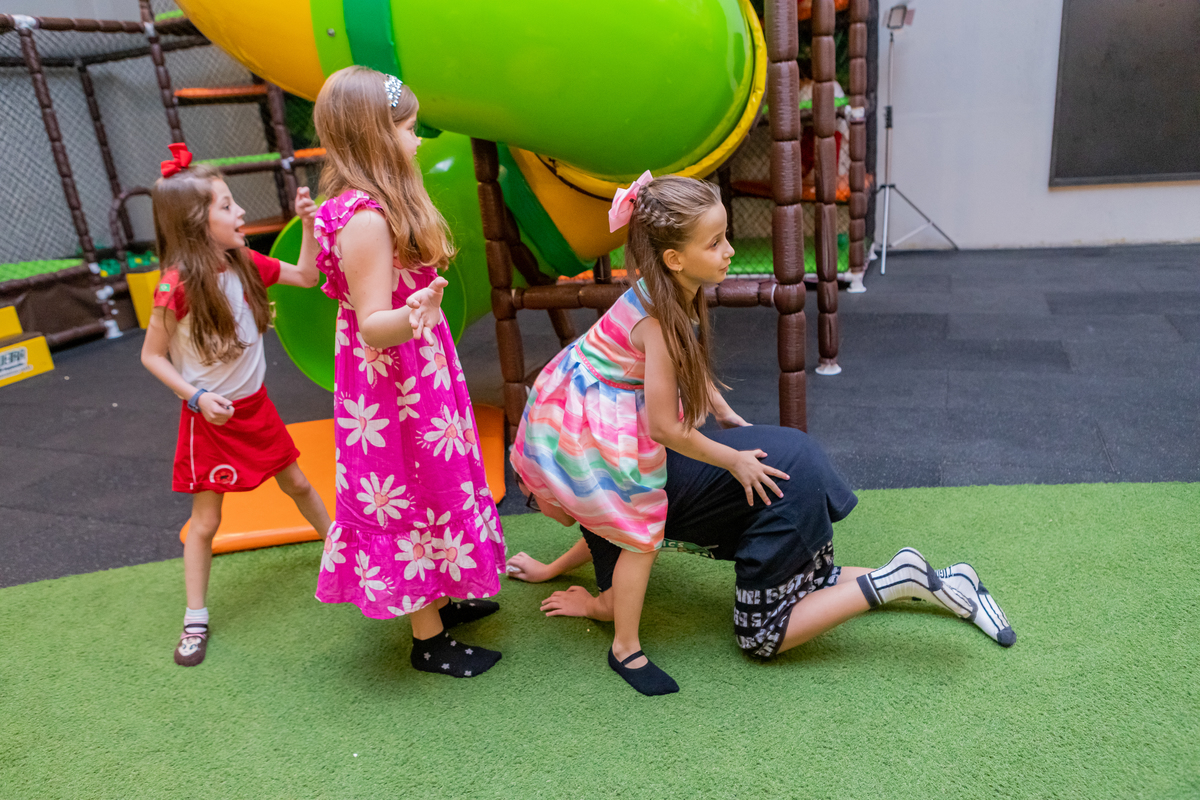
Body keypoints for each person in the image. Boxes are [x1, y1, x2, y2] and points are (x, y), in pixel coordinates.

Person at [510, 175, 1009, 696]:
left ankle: (626, 649)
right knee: (812, 580)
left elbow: (659, 431)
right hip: (787, 469)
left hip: (771, 488)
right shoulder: (661, 308)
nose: (729, 251)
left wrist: (728, 436)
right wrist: (553, 570)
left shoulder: (660, 304)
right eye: (716, 243)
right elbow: (612, 511)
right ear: (674, 259)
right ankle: (938, 581)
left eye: (724, 237)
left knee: (761, 636)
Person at [310, 66, 506, 679]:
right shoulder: (366, 218)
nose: (417, 140)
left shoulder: (360, 208)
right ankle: (429, 638)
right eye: (408, 128)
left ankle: (443, 595)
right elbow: (373, 323)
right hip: (394, 385)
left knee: (434, 480)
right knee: (408, 490)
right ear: (375, 135)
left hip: (411, 372)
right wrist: (417, 312)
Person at [141, 145, 333, 667]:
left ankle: (341, 554)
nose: (241, 211)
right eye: (227, 205)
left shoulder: (244, 262)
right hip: (211, 421)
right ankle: (194, 618)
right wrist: (198, 397)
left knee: (298, 483)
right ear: (195, 223)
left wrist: (308, 224)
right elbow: (152, 356)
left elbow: (307, 276)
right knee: (206, 521)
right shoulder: (175, 288)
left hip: (256, 409)